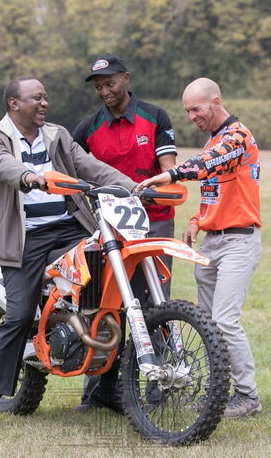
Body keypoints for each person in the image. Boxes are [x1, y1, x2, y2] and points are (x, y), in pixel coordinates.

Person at [0, 76, 137, 431]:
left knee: (111, 291)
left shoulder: (57, 135)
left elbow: (90, 166)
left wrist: (133, 187)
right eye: (37, 98)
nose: (44, 103)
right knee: (17, 315)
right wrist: (33, 177)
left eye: (46, 97)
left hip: (69, 230)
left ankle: (110, 388)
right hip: (25, 239)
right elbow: (2, 165)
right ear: (14, 104)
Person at [137, 77, 263, 418]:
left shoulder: (237, 136)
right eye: (187, 111)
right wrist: (196, 219)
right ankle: (218, 392)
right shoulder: (214, 140)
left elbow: (208, 165)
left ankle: (248, 397)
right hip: (212, 241)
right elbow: (215, 189)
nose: (191, 116)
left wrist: (171, 174)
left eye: (196, 108)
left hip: (239, 240)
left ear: (215, 101)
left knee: (223, 320)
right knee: (207, 322)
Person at [71, 53, 178, 413]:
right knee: (104, 306)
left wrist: (159, 185)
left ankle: (160, 387)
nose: (105, 91)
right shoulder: (87, 128)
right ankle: (99, 390)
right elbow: (72, 173)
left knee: (154, 303)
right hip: (107, 227)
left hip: (153, 221)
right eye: (99, 86)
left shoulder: (155, 117)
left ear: (126, 79)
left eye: (110, 83)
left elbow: (168, 168)